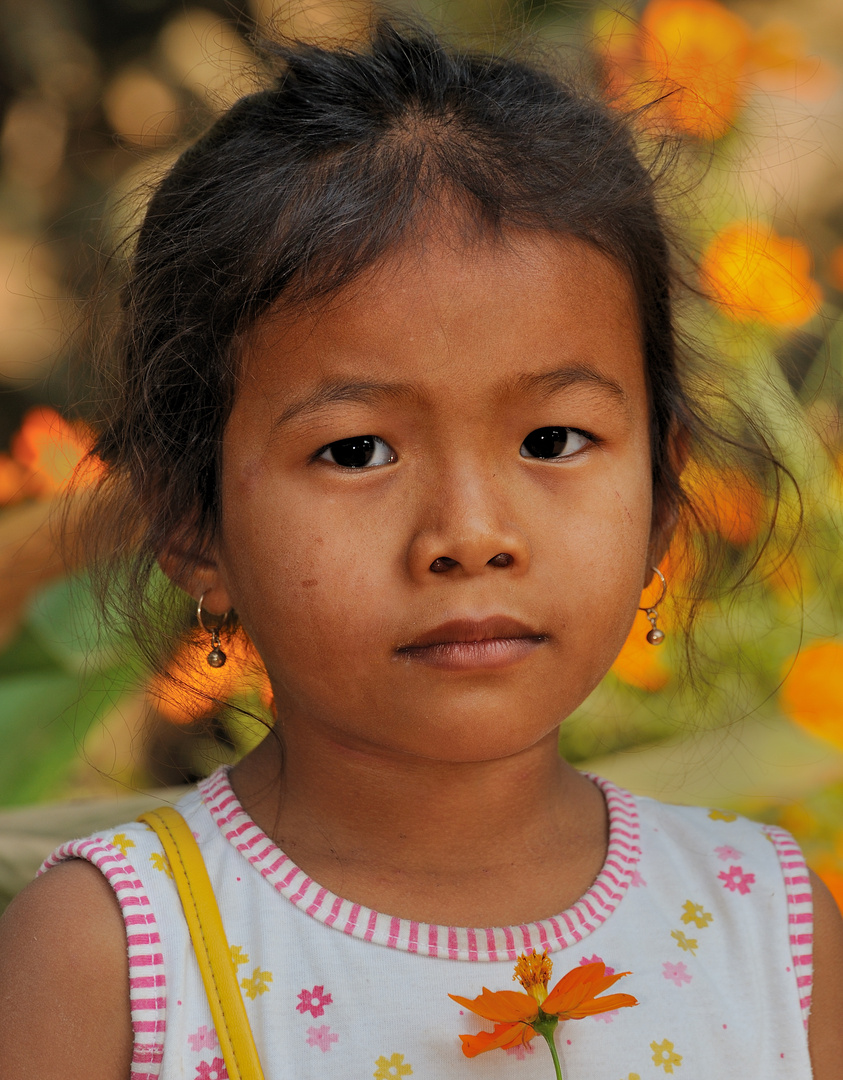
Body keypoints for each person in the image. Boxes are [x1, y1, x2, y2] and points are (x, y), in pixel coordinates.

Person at [0, 19, 841, 1080]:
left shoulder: (764, 925)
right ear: (189, 520)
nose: (471, 535)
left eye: (554, 440)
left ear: (662, 493)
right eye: (356, 450)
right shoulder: (115, 949)